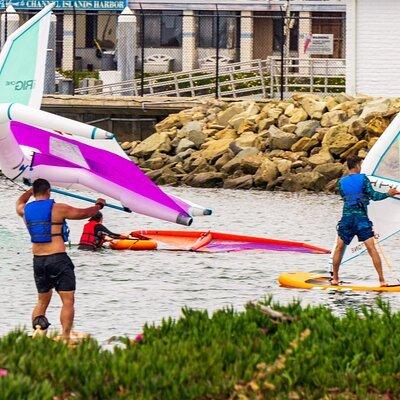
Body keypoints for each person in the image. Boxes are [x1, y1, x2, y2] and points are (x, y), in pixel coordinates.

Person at [16, 178, 106, 341]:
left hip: (38, 261)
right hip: (57, 259)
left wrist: (29, 191)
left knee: (42, 300)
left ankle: (38, 336)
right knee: (67, 300)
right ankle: (65, 336)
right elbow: (83, 213)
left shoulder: (25, 210)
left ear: (35, 192)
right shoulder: (58, 208)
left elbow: (19, 202)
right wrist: (98, 205)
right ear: (49, 192)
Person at [331, 155, 400, 286]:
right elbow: (374, 196)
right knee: (372, 249)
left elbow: (345, 196)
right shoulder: (363, 179)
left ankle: (335, 278)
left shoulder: (341, 182)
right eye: (360, 164)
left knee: (339, 248)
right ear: (357, 165)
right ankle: (382, 280)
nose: (361, 167)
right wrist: (388, 194)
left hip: (347, 219)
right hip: (361, 220)